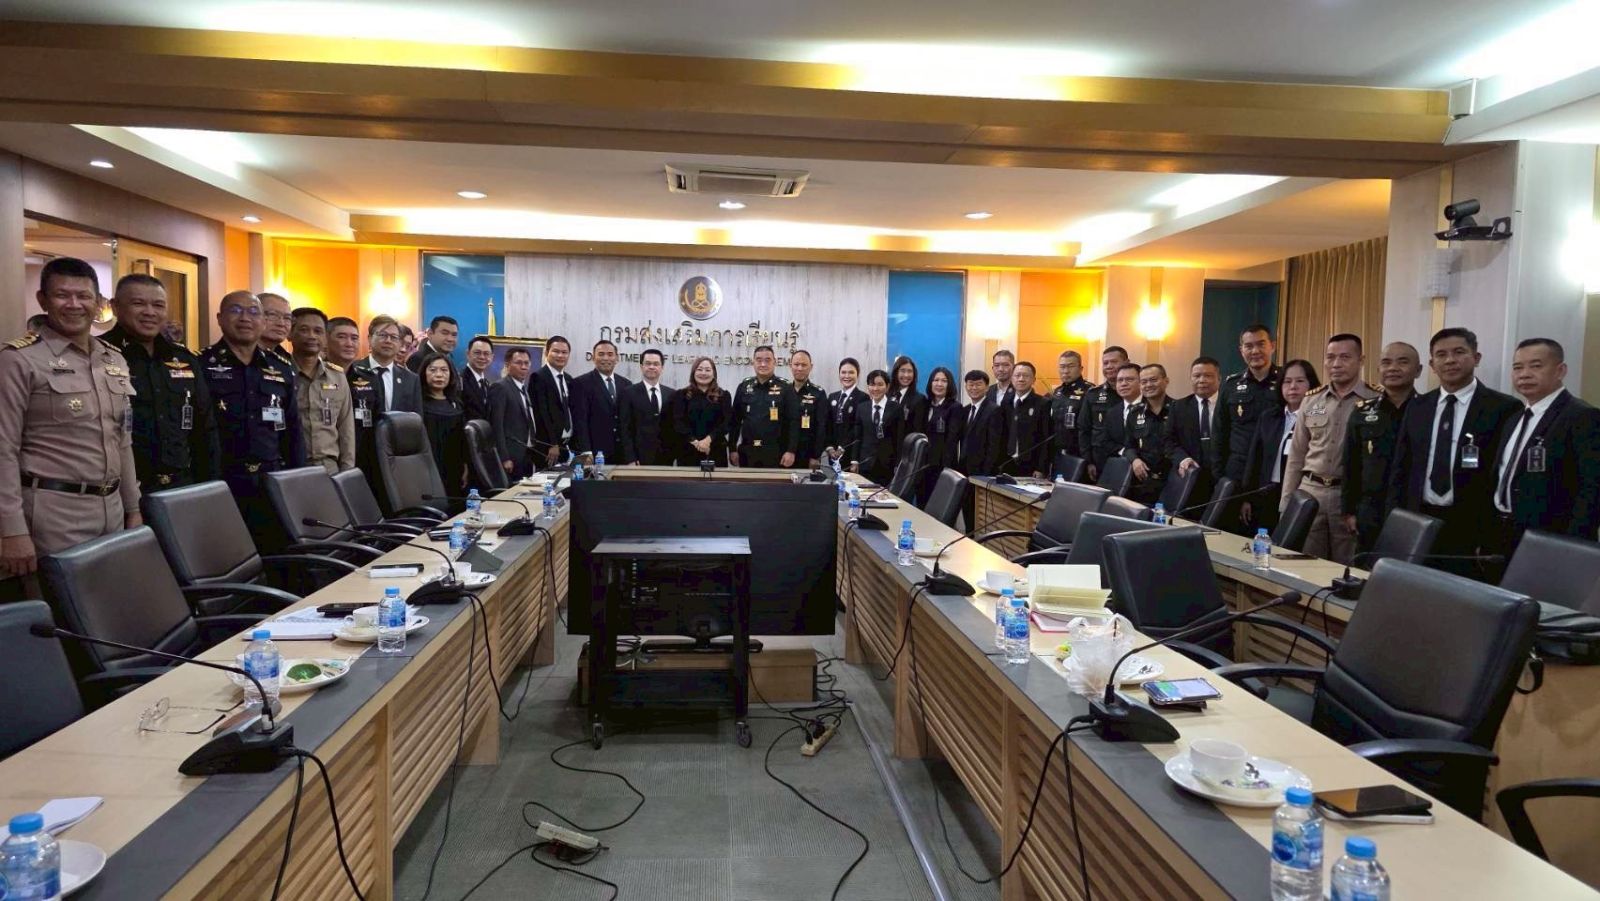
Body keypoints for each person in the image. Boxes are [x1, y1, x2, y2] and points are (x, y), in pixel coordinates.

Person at [0, 258, 141, 579]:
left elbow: (122, 440)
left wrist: (132, 508)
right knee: (58, 605)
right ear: (43, 300)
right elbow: (3, 449)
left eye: (84, 296)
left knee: (110, 600)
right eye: (62, 295)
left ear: (99, 303)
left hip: (111, 511)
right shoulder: (18, 360)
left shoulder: (113, 358)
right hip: (52, 516)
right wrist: (11, 529)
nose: (74, 305)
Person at [1387, 327, 1518, 578]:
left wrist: (1493, 534)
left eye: (1459, 352)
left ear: (1476, 358)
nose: (1450, 360)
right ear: (1432, 364)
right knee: (1415, 588)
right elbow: (1401, 466)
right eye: (1441, 355)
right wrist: (1394, 518)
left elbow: (1502, 475)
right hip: (1419, 518)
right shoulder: (1418, 406)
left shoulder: (1503, 408)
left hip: (1471, 525)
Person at [200, 290, 305, 542]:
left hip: (271, 479)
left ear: (262, 321)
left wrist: (297, 480)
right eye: (236, 311)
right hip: (221, 480)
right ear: (220, 318)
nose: (245, 318)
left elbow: (293, 431)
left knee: (278, 549)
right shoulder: (201, 364)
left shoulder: (280, 368)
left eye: (254, 312)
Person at [100, 273, 217, 495]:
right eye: (138, 303)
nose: (150, 312)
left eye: (158, 305)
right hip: (122, 488)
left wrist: (208, 486)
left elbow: (204, 428)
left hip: (181, 484)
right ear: (115, 307)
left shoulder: (183, 358)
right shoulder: (98, 354)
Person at [1491, 338, 1600, 556]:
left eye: (1536, 366)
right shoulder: (1514, 419)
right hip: (1505, 532)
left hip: (1552, 539)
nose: (1524, 374)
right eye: (1517, 367)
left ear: (1560, 371)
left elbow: (1592, 489)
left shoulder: (1583, 416)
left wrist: (1571, 546)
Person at [1279, 335, 1378, 563]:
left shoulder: (1375, 399)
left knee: (1347, 565)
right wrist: (1287, 503)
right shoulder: (1311, 400)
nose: (1336, 364)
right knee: (1305, 563)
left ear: (1361, 360)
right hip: (1310, 491)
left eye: (1345, 357)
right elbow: (1296, 455)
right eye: (1330, 357)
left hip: (1348, 496)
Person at [1341, 342, 1421, 554]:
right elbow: (1351, 464)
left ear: (1419, 370)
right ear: (1378, 369)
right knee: (1365, 565)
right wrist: (1348, 510)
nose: (1393, 368)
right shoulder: (1362, 412)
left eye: (1402, 362)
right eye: (1386, 363)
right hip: (1370, 509)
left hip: (1414, 510)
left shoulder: (1428, 410)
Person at [1241, 359, 1319, 533]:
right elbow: (1255, 458)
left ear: (1312, 384)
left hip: (1299, 494)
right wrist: (1248, 497)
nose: (1293, 387)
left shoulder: (1317, 419)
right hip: (1267, 492)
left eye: (1300, 381)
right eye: (1287, 381)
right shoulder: (1269, 417)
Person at [1219, 325, 1283, 530]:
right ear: (1241, 350)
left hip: (1272, 475)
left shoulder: (1286, 381)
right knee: (1232, 535)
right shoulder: (1231, 384)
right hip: (1237, 473)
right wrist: (1220, 477)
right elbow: (1220, 433)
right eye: (1249, 346)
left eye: (1261, 344)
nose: (1255, 351)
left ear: (1272, 346)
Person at [288, 307, 355, 476]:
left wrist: (347, 472)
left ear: (325, 338)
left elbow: (346, 428)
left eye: (318, 331)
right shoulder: (281, 373)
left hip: (329, 468)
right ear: (290, 333)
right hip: (289, 468)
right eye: (304, 330)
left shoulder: (337, 376)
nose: (312, 336)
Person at [1165, 356, 1223, 506]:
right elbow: (1169, 441)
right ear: (1191, 378)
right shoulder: (1179, 407)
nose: (1202, 380)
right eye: (1197, 376)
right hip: (1192, 478)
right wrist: (1183, 459)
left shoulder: (1228, 404)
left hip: (1223, 478)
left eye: (1208, 376)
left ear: (1219, 378)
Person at [729, 345, 799, 468]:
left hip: (776, 453)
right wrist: (732, 449)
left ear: (774, 362)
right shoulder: (744, 387)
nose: (763, 364)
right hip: (747, 452)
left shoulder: (786, 388)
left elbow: (794, 421)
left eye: (767, 360)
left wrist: (791, 451)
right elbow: (735, 421)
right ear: (753, 362)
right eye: (759, 360)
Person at [957, 370, 1004, 527]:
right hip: (964, 470)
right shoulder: (965, 410)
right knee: (967, 510)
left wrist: (986, 474)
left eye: (978, 384)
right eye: (970, 384)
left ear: (986, 387)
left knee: (979, 514)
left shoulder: (994, 410)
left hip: (982, 472)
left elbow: (994, 446)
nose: (974, 388)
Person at [571, 339, 631, 461]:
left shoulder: (626, 384)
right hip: (595, 454)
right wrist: (586, 452)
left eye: (610, 354)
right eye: (601, 354)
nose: (606, 358)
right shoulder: (581, 383)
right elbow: (580, 421)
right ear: (593, 358)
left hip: (622, 453)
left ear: (617, 358)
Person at [1077, 345, 1131, 481]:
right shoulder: (1093, 394)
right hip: (1101, 463)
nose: (1109, 366)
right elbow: (1084, 429)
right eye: (1105, 363)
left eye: (1114, 362)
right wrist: (1088, 461)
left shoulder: (1138, 393)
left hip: (1132, 461)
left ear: (1127, 363)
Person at [418, 352, 467, 499]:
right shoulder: (418, 403)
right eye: (433, 370)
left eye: (444, 370)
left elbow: (462, 440)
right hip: (428, 467)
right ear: (424, 373)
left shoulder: (456, 402)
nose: (439, 375)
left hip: (454, 468)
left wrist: (466, 466)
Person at [351, 315, 423, 415]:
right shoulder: (352, 370)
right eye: (383, 335)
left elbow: (416, 419)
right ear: (370, 338)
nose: (388, 340)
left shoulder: (411, 379)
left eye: (394, 337)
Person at [1124, 363, 1173, 505]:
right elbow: (1129, 446)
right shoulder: (1134, 413)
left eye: (1153, 380)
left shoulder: (1178, 410)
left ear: (1166, 381)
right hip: (1144, 482)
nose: (1148, 385)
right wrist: (1135, 460)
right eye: (1144, 382)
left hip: (1173, 480)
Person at [619, 347, 676, 465]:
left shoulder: (671, 394)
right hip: (639, 458)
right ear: (641, 366)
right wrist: (630, 458)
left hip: (666, 458)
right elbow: (625, 428)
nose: (652, 367)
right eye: (648, 363)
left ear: (662, 368)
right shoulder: (628, 393)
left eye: (656, 364)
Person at [672, 356, 732, 467]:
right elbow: (678, 423)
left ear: (714, 374)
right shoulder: (681, 395)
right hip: (688, 450)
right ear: (693, 373)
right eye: (699, 369)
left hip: (715, 449)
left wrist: (708, 440)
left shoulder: (724, 396)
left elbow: (727, 423)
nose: (703, 373)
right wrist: (696, 443)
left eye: (708, 370)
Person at [488, 347, 537, 479]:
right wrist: (504, 458)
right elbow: (497, 426)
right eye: (519, 363)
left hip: (526, 452)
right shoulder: (501, 387)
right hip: (511, 456)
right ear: (507, 365)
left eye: (526, 363)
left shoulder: (523, 388)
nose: (524, 367)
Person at [851, 368, 904, 485]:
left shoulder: (896, 408)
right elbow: (857, 436)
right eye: (872, 384)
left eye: (880, 384)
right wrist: (854, 460)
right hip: (865, 462)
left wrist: (898, 464)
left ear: (887, 386)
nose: (875, 388)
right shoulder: (862, 407)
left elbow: (899, 439)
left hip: (887, 464)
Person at [1090, 362, 1142, 477]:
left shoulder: (1151, 408)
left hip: (1145, 470)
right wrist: (1126, 453)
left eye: (1129, 379)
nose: (1124, 384)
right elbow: (1105, 441)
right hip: (1118, 471)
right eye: (1120, 380)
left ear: (1141, 382)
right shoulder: (1112, 412)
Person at [919, 366, 962, 502]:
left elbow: (952, 440)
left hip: (942, 466)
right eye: (936, 380)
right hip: (922, 465)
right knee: (922, 504)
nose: (939, 384)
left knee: (938, 505)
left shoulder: (954, 407)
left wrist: (945, 469)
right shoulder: (925, 405)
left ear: (949, 385)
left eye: (944, 381)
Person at [531, 335, 574, 466]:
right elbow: (541, 413)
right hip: (548, 447)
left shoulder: (568, 379)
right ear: (546, 353)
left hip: (565, 445)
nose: (560, 355)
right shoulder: (538, 377)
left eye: (564, 352)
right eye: (556, 351)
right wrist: (552, 443)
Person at [1001, 361, 1050, 478]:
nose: (1021, 379)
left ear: (1033, 380)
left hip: (1031, 466)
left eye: (1026, 376)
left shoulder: (1043, 403)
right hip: (1007, 462)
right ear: (1012, 378)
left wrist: (1041, 468)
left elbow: (1046, 439)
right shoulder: (1006, 402)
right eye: (1017, 375)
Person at [788, 349, 828, 468]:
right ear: (790, 366)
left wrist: (816, 456)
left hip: (807, 454)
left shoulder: (818, 393)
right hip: (785, 453)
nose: (799, 368)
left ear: (811, 367)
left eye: (804, 365)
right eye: (796, 364)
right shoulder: (784, 391)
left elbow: (821, 427)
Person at [1051, 350, 1092, 465]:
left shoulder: (1089, 391)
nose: (1066, 371)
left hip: (1079, 454)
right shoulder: (1057, 392)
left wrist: (1089, 459)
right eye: (1062, 367)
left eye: (1070, 366)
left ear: (1081, 368)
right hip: (1057, 454)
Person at [826, 357, 868, 469]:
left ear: (857, 374)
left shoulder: (863, 398)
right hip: (832, 454)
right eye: (843, 372)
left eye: (851, 372)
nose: (847, 376)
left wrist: (842, 447)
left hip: (851, 453)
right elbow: (828, 424)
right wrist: (830, 447)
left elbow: (857, 428)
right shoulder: (832, 397)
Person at [985, 349, 1017, 454]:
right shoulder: (987, 391)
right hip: (991, 449)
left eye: (1005, 365)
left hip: (1012, 451)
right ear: (993, 368)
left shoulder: (1020, 391)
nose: (1001, 369)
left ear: (1014, 367)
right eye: (997, 365)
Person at [889, 355, 928, 435]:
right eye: (902, 371)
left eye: (909, 371)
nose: (906, 375)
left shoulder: (919, 399)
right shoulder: (887, 396)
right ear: (896, 372)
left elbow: (917, 430)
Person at [460, 336, 495, 423]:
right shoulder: (459, 380)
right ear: (468, 354)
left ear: (492, 357)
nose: (482, 357)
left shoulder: (486, 383)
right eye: (477, 353)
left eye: (486, 354)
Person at [256, 292, 293, 364]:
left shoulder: (287, 361)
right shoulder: (241, 357)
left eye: (287, 318)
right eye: (273, 315)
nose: (281, 324)